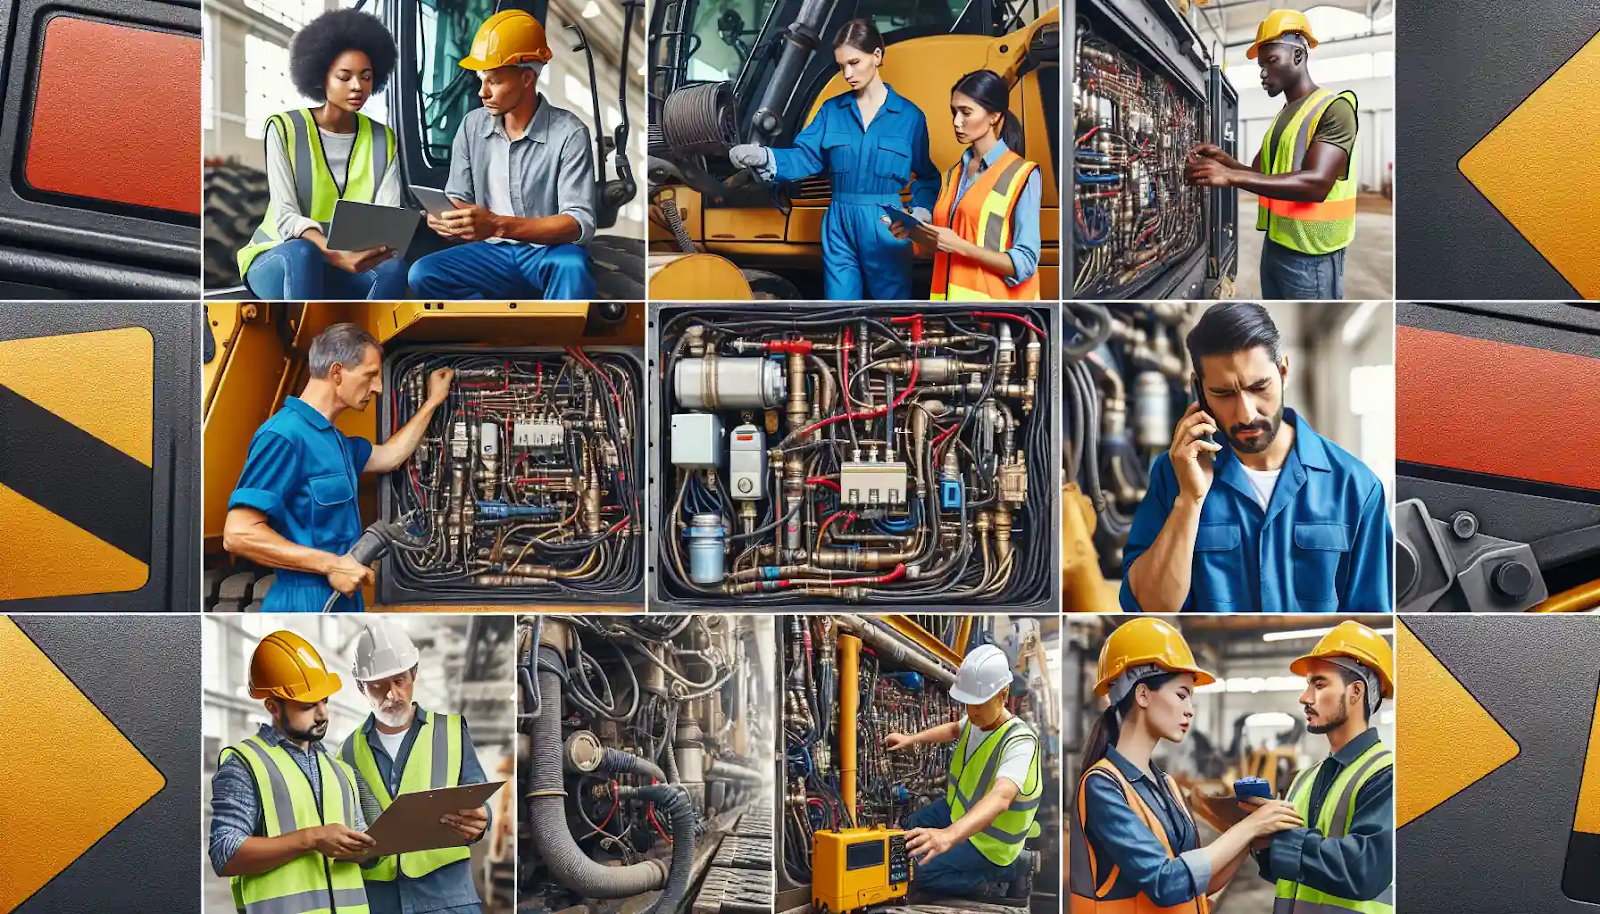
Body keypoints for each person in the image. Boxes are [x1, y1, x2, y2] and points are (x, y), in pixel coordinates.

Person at [1121, 302, 1391, 612]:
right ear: (1199, 392)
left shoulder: (1356, 487)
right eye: (1223, 393)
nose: (1246, 414)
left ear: (1284, 373)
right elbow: (1151, 608)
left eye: (1259, 386)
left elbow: (1371, 619)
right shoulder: (1174, 474)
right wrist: (1189, 501)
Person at [1070, 618, 1306, 913]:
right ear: (1142, 694)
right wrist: (1248, 827)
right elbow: (1166, 883)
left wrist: (1252, 834)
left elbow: (1200, 880)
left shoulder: (1167, 784)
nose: (1190, 710)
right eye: (1181, 695)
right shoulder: (1102, 785)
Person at [224, 323, 453, 612]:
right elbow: (239, 534)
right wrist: (333, 565)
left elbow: (392, 456)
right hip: (304, 604)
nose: (378, 387)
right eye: (370, 376)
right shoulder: (284, 435)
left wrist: (433, 401)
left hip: (342, 598)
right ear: (336, 372)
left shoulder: (334, 441)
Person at [728, 19, 939, 301]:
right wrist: (765, 156)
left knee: (891, 313)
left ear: (877, 56)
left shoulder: (910, 117)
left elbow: (927, 175)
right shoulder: (832, 111)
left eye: (854, 62)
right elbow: (806, 157)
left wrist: (922, 212)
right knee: (839, 309)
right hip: (839, 221)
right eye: (842, 66)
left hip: (887, 222)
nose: (848, 74)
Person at [407, 10, 597, 300]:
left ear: (526, 79)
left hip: (544, 253)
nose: (482, 92)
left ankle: (556, 340)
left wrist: (497, 224)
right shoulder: (472, 126)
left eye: (493, 81)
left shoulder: (570, 133)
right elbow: (459, 198)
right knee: (423, 274)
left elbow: (576, 223)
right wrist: (446, 219)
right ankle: (501, 331)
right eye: (481, 78)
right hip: (491, 255)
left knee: (572, 265)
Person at [1183, 10, 1359, 300]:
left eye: (1272, 61)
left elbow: (1317, 184)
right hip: (1275, 247)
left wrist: (1229, 175)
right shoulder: (1282, 118)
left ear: (1299, 56)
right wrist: (1223, 161)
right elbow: (1258, 176)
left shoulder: (1335, 108)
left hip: (1312, 256)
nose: (1263, 72)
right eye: (1260, 65)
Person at [237, 9, 407, 301]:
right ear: (322, 77)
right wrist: (334, 254)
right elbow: (287, 217)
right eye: (345, 77)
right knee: (303, 253)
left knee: (394, 269)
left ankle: (363, 343)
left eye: (366, 77)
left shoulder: (383, 139)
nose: (357, 86)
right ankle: (304, 345)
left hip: (346, 264)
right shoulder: (284, 128)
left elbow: (387, 216)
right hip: (281, 256)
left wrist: (371, 252)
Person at [209, 630, 377, 914]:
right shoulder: (245, 763)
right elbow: (225, 854)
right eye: (308, 705)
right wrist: (311, 839)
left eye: (324, 701)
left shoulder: (342, 772)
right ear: (273, 707)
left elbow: (365, 853)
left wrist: (370, 849)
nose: (322, 714)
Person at [339, 621, 492, 914]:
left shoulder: (451, 732)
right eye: (378, 686)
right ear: (361, 687)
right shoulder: (346, 752)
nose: (393, 694)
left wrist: (483, 820)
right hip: (380, 901)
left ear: (415, 674)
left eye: (399, 680)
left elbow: (478, 799)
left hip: (447, 899)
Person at [1254, 621, 1395, 912]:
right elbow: (1284, 870)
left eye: (1319, 684)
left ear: (1356, 692)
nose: (1305, 697)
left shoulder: (1388, 775)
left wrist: (1280, 839)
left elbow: (1365, 869)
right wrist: (1256, 835)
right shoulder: (1303, 779)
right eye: (1308, 685)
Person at [882, 644, 1041, 899]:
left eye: (979, 703)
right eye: (968, 703)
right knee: (908, 831)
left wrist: (948, 836)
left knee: (918, 874)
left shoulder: (1020, 742)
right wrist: (912, 739)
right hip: (959, 811)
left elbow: (1001, 797)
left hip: (990, 845)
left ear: (1004, 694)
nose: (972, 711)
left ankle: (1007, 872)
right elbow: (956, 728)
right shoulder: (979, 720)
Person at [888, 69, 1041, 301]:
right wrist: (913, 233)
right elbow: (944, 246)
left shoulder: (1023, 174)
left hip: (998, 314)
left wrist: (961, 246)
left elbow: (1025, 262)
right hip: (952, 313)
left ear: (994, 116)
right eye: (954, 112)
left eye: (966, 112)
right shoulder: (953, 174)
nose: (956, 122)